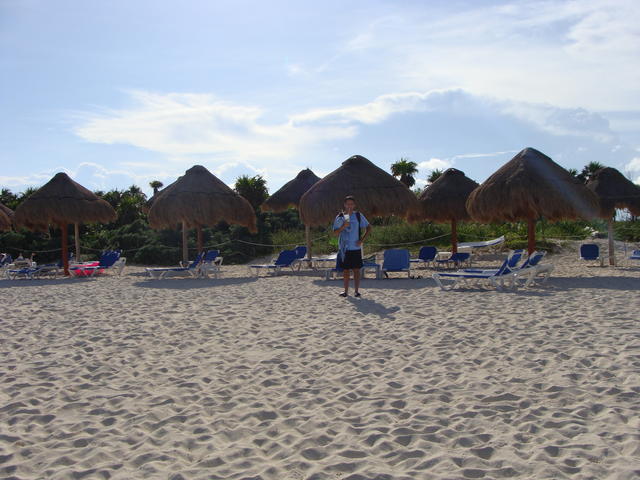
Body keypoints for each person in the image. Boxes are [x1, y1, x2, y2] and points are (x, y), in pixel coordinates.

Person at [333, 195, 372, 297]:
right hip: (344, 249)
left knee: (356, 270)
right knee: (345, 271)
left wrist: (361, 240)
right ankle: (345, 291)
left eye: (351, 204)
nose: (349, 206)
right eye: (348, 204)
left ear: (354, 205)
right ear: (344, 205)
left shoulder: (359, 215)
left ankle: (356, 291)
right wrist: (343, 226)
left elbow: (369, 227)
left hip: (356, 248)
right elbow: (335, 233)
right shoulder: (340, 217)